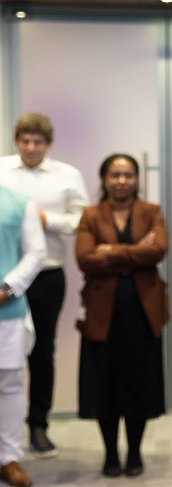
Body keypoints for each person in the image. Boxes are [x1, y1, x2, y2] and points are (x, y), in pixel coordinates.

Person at [0, 112, 89, 458]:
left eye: (38, 141)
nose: (31, 147)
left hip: (47, 275)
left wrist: (46, 220)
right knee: (5, 357)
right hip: (4, 279)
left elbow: (83, 218)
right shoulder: (2, 170)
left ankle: (38, 425)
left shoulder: (67, 175)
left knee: (41, 353)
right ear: (16, 140)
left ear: (48, 144)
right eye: (25, 140)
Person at [75, 154, 169, 477]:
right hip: (103, 316)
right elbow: (85, 259)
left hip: (142, 314)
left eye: (128, 174)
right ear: (103, 179)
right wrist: (134, 251)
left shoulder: (151, 211)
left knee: (139, 383)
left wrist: (110, 250)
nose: (121, 181)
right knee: (105, 385)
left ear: (136, 178)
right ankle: (111, 453)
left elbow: (159, 250)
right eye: (115, 175)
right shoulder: (90, 215)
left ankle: (135, 452)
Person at [0, 185, 46, 487]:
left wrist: (7, 287)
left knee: (9, 384)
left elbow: (36, 251)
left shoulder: (17, 202)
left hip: (6, 309)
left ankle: (8, 458)